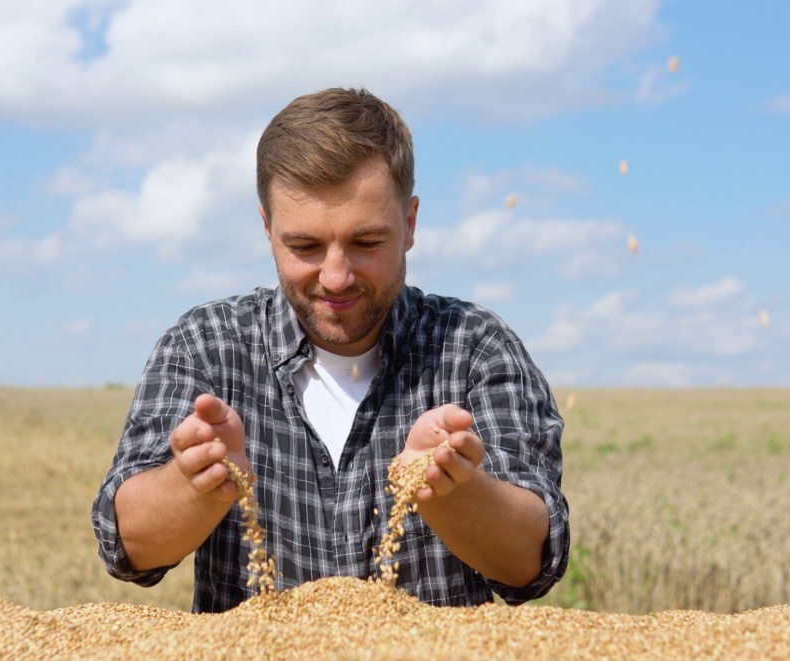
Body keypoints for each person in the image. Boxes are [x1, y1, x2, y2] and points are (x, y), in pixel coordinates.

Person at [92, 87, 568, 613]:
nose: (336, 277)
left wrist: (454, 490)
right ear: (267, 228)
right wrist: (193, 483)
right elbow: (128, 547)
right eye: (305, 247)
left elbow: (532, 561)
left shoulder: (475, 349)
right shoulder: (206, 347)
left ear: (409, 224)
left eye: (366, 243)